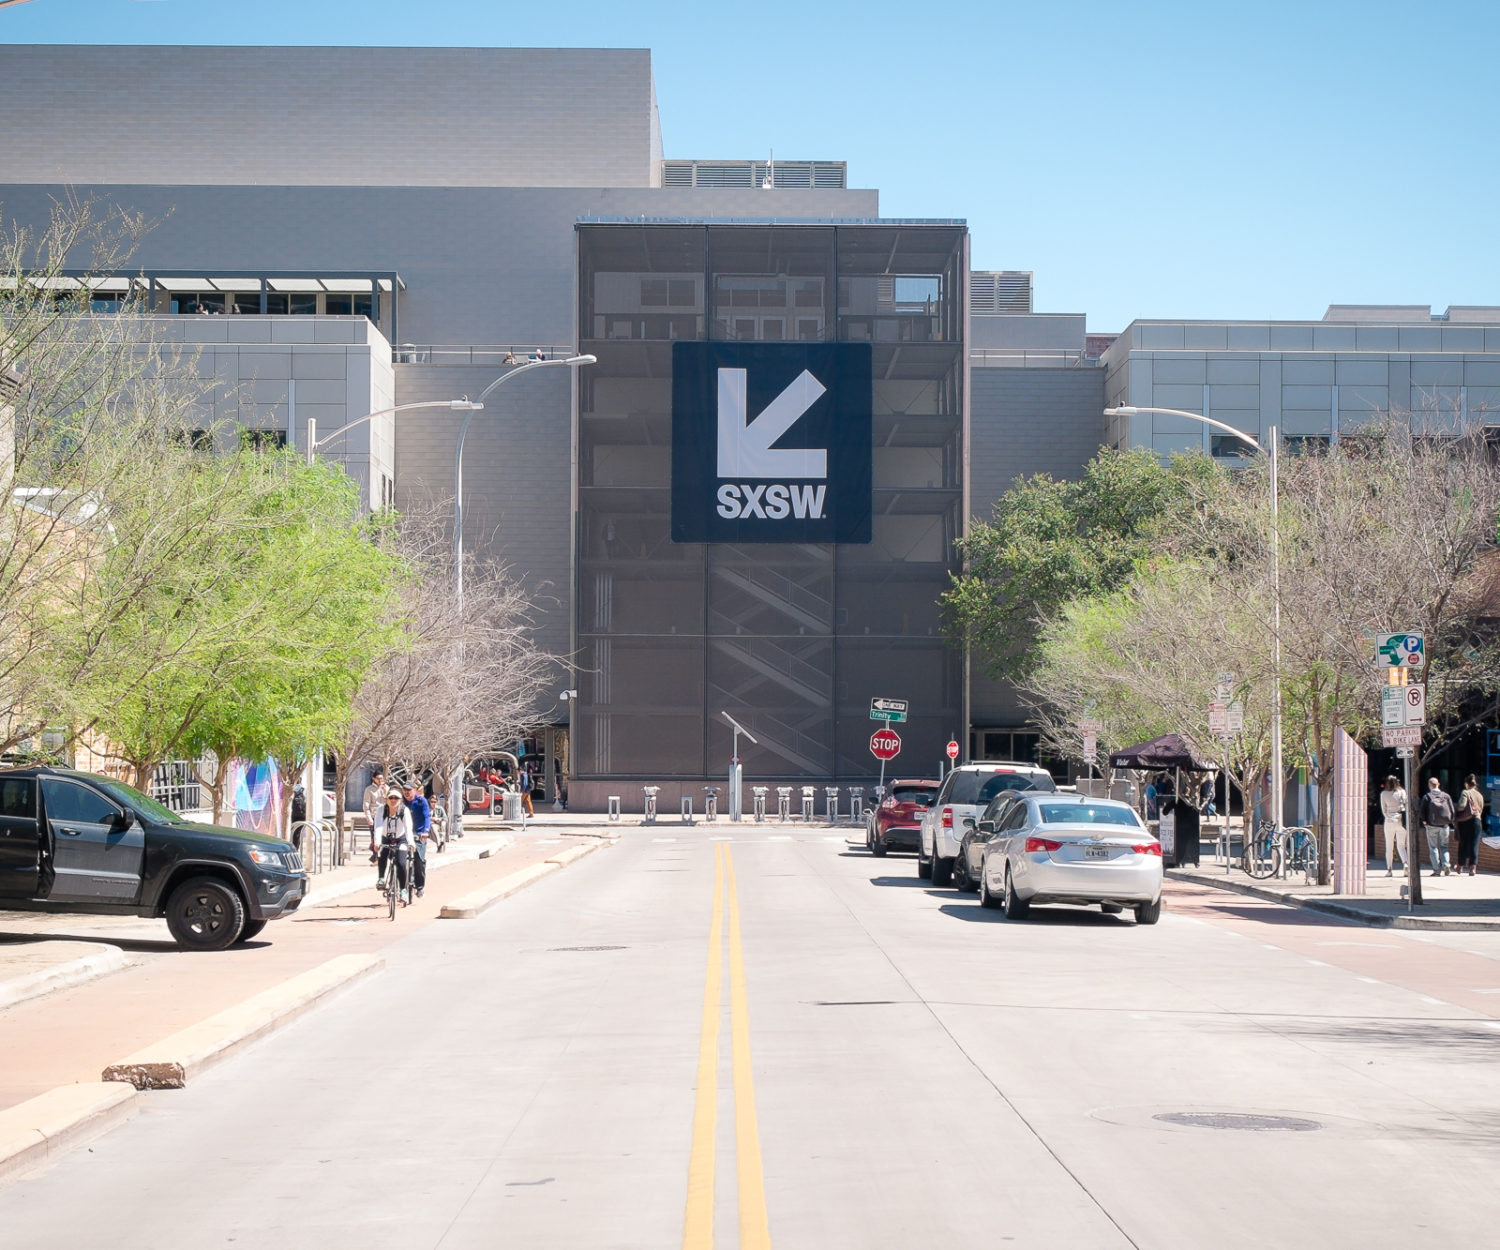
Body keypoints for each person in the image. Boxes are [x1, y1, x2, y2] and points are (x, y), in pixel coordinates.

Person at [372, 786, 413, 895]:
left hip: (401, 839)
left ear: (400, 800)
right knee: (382, 854)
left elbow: (408, 827)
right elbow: (378, 826)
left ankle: (403, 889)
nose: (393, 800)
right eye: (391, 798)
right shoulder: (381, 810)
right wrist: (377, 842)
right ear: (387, 799)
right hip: (386, 838)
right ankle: (381, 878)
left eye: (396, 798)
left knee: (401, 863)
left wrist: (411, 842)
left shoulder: (404, 810)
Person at [1418, 776, 1456, 876]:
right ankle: (1446, 864)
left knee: (1433, 848)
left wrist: (1425, 822)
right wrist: (1450, 821)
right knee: (1444, 847)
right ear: (1438, 784)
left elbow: (1422, 812)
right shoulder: (1446, 796)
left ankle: (1436, 870)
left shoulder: (1427, 796)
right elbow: (1452, 811)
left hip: (1431, 825)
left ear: (1429, 785)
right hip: (1444, 825)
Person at [402, 781, 431, 898]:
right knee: (399, 859)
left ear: (415, 790)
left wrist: (426, 831)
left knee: (419, 860)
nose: (406, 793)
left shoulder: (421, 801)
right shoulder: (401, 802)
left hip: (418, 833)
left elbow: (426, 816)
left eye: (409, 790)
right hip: (403, 833)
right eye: (405, 790)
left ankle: (419, 887)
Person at [1379, 774, 1409, 877]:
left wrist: (1389, 817)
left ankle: (1389, 869)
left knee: (1389, 846)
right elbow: (1406, 804)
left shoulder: (1384, 794)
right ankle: (1405, 863)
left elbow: (1384, 810)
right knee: (1401, 845)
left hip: (1389, 821)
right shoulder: (1401, 792)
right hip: (1401, 820)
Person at [1455, 774, 1485, 876]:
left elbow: (1462, 806)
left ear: (1467, 784)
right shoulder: (1480, 795)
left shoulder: (1465, 792)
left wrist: (1456, 808)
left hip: (1466, 821)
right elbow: (1480, 809)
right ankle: (1473, 868)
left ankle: (1460, 866)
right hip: (1477, 821)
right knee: (1474, 844)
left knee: (1463, 843)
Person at [361, 769, 387, 836]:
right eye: (378, 778)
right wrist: (369, 818)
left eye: (381, 778)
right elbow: (366, 805)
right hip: (374, 816)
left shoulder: (386, 788)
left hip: (385, 816)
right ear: (374, 779)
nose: (380, 780)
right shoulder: (369, 789)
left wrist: (385, 792)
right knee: (374, 837)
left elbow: (391, 801)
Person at [289, 784, 307, 850]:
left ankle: (294, 848)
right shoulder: (303, 790)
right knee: (297, 835)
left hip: (293, 815)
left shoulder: (291, 790)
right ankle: (295, 848)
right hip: (302, 815)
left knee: (293, 833)